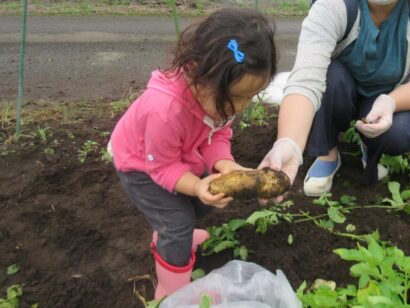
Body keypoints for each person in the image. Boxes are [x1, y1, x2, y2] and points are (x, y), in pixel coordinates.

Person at [108, 8, 277, 300]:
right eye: (235, 98)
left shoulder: (217, 95)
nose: (239, 107)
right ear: (198, 71)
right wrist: (197, 185)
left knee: (206, 199)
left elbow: (218, 133)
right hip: (141, 166)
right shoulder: (165, 110)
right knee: (177, 221)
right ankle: (170, 293)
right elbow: (162, 168)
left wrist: (223, 163)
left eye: (249, 97)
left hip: (177, 154)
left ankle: (176, 239)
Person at [259, 0, 410, 197]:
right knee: (330, 76)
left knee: (400, 132)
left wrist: (391, 102)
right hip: (338, 89)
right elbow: (306, 80)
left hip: (384, 94)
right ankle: (327, 152)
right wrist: (288, 143)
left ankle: (369, 141)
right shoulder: (334, 6)